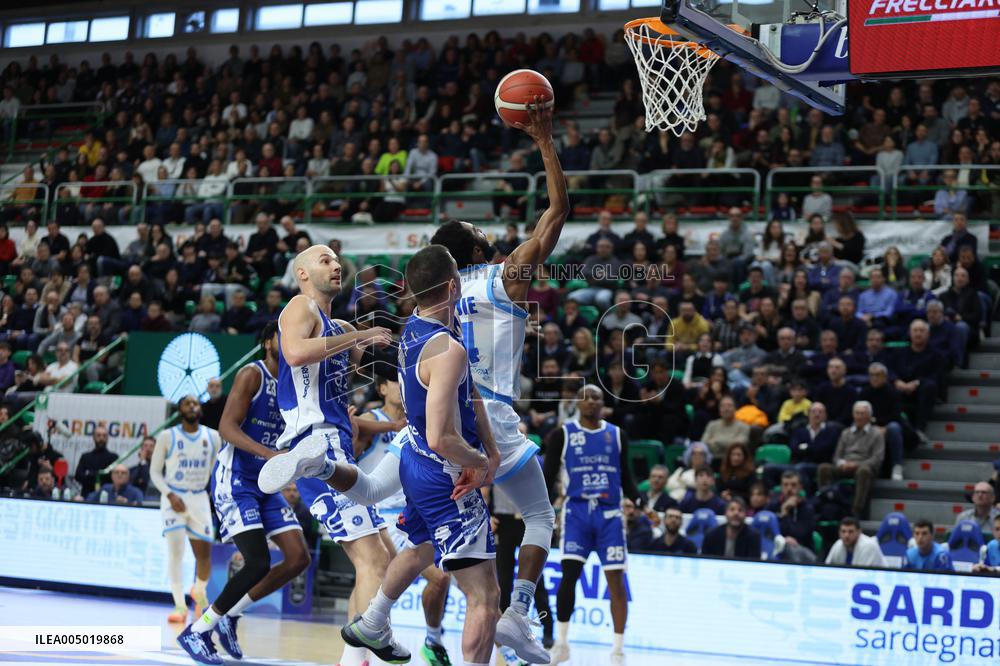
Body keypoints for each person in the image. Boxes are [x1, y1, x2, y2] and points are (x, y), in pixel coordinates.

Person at [428, 97, 566, 663]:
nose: (484, 227)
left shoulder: (434, 298)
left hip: (439, 421)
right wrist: (543, 140)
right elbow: (557, 212)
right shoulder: (504, 276)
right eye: (476, 228)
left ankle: (408, 624)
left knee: (436, 541)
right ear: (474, 248)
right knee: (539, 515)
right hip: (491, 417)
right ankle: (517, 614)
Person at [333, 245, 503, 666]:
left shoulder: (415, 326)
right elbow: (441, 435)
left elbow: (467, 393)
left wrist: (492, 449)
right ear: (452, 284)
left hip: (414, 460)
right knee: (485, 595)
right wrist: (483, 465)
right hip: (443, 471)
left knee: (420, 547)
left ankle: (373, 620)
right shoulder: (448, 349)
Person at [254, 244, 393, 666]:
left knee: (382, 559)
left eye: (337, 260)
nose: (335, 265)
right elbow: (294, 352)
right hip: (316, 442)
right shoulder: (300, 307)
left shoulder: (337, 322)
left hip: (336, 441)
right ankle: (362, 657)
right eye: (324, 259)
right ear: (300, 273)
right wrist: (359, 336)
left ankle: (354, 659)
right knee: (375, 561)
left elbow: (333, 379)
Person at [177, 323, 310, 665]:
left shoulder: (295, 385)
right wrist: (269, 455)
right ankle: (199, 630)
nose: (293, 341)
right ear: (268, 342)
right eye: (285, 335)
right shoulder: (253, 374)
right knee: (257, 562)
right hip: (236, 480)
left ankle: (231, 614)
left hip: (266, 485)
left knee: (299, 558)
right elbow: (226, 427)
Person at [353, 371, 456, 666]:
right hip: (380, 515)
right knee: (425, 577)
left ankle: (432, 641)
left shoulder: (419, 422)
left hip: (414, 513)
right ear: (383, 388)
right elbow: (355, 432)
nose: (403, 387)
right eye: (396, 382)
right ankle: (361, 652)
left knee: (440, 581)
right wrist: (392, 425)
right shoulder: (371, 419)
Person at [544, 385, 640, 666]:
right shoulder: (563, 434)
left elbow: (628, 477)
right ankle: (561, 644)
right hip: (576, 512)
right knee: (569, 576)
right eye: (585, 397)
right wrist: (543, 507)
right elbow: (549, 477)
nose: (590, 402)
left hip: (610, 514)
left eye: (596, 397)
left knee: (616, 582)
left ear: (603, 404)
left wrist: (639, 499)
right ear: (577, 403)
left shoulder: (617, 435)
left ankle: (618, 650)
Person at [150, 396, 220, 624]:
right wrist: (169, 494)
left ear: (200, 409)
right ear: (179, 410)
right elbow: (154, 472)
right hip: (173, 498)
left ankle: (199, 591)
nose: (192, 407)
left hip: (199, 497)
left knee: (204, 554)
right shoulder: (167, 436)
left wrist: (211, 498)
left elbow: (215, 472)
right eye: (187, 404)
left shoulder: (213, 436)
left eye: (196, 404)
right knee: (176, 553)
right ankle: (179, 605)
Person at [817, 401, 885, 518]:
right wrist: (842, 463)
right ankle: (824, 504)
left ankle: (856, 510)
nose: (859, 417)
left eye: (862, 414)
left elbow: (877, 458)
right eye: (857, 413)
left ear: (869, 416)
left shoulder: (877, 434)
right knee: (824, 468)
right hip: (845, 465)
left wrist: (856, 465)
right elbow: (837, 456)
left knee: (864, 471)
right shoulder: (846, 433)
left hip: (864, 467)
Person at [73, 425, 118, 492]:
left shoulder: (113, 457)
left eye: (104, 436)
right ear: (94, 437)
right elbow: (78, 476)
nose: (101, 438)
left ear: (107, 438)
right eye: (98, 435)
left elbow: (115, 478)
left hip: (108, 495)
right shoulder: (85, 457)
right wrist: (99, 476)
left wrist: (90, 474)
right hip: (87, 495)